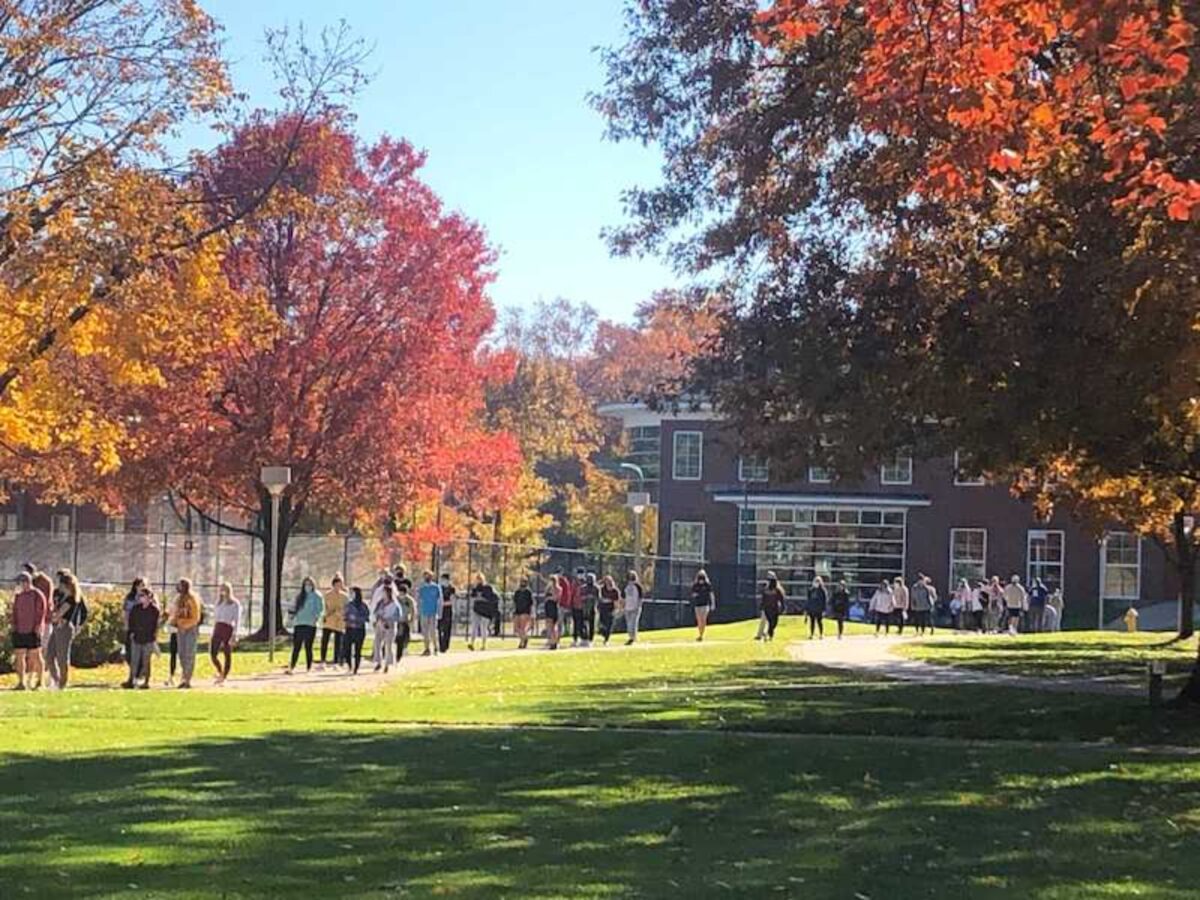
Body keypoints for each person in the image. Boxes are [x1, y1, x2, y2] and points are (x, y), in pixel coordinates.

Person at [46, 570, 86, 689]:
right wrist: (53, 616)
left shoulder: (72, 599)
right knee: (49, 655)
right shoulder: (59, 595)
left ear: (67, 585)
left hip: (65, 628)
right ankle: (56, 679)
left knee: (62, 657)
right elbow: (54, 612)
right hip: (57, 627)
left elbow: (59, 614)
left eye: (62, 584)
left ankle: (62, 683)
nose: (60, 586)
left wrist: (54, 616)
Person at [9, 572, 48, 691]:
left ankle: (40, 682)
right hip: (20, 630)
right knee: (19, 656)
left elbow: (42, 612)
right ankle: (21, 682)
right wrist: (14, 625)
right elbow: (15, 611)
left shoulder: (37, 594)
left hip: (32, 630)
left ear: (26, 582)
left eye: (20, 582)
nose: (19, 585)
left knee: (35, 655)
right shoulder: (18, 596)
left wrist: (37, 626)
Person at [124, 586, 160, 690]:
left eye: (143, 596)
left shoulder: (154, 610)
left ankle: (146, 681)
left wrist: (153, 638)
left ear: (149, 597)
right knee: (134, 660)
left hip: (148, 639)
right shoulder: (136, 609)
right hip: (136, 638)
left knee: (146, 661)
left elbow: (155, 626)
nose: (140, 598)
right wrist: (132, 633)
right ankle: (132, 680)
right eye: (139, 596)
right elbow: (132, 621)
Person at [169, 578, 202, 689]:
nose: (178, 588)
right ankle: (183, 676)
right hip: (180, 629)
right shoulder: (178, 599)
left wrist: (185, 626)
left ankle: (187, 679)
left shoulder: (193, 598)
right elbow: (174, 612)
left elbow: (196, 617)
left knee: (189, 654)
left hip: (191, 629)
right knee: (181, 654)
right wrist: (173, 622)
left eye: (180, 586)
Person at [287, 576, 324, 675]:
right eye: (306, 584)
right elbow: (293, 608)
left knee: (308, 646)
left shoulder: (317, 596)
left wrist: (316, 618)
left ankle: (309, 667)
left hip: (311, 625)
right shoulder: (300, 596)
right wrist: (291, 616)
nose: (308, 586)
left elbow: (320, 610)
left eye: (310, 584)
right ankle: (292, 667)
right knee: (296, 646)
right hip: (299, 623)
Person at [21, 563, 53, 670]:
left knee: (41, 648)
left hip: (43, 621)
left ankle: (43, 672)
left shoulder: (44, 583)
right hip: (30, 622)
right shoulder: (27, 585)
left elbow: (45, 604)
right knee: (31, 649)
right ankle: (32, 671)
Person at [210, 583, 241, 684]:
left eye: (224, 589)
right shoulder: (218, 603)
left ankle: (224, 675)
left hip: (227, 628)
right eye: (221, 589)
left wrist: (235, 634)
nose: (222, 592)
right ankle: (220, 671)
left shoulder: (235, 604)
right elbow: (215, 618)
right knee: (213, 653)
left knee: (227, 653)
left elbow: (237, 620)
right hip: (218, 627)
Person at [321, 574, 348, 668]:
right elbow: (324, 607)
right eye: (337, 584)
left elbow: (346, 608)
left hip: (339, 622)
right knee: (325, 641)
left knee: (338, 642)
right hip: (328, 620)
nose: (338, 587)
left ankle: (336, 662)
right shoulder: (327, 595)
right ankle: (323, 660)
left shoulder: (344, 596)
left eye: (340, 584)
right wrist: (325, 615)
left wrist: (341, 614)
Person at [373, 583, 400, 673]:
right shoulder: (380, 603)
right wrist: (378, 619)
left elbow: (398, 615)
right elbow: (375, 612)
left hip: (390, 626)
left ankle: (387, 664)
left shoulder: (394, 604)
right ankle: (378, 662)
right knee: (377, 643)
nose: (382, 593)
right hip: (380, 624)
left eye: (384, 592)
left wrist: (389, 620)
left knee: (388, 645)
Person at [343, 587, 370, 675]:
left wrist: (357, 619)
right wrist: (347, 618)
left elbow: (366, 617)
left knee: (358, 649)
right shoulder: (349, 605)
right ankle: (349, 665)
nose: (351, 595)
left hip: (359, 629)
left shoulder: (363, 605)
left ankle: (356, 668)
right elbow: (344, 615)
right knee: (347, 648)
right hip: (349, 629)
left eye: (353, 593)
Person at [467, 574, 498, 651]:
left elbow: (493, 598)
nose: (478, 581)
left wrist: (483, 599)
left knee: (483, 628)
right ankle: (472, 643)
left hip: (485, 611)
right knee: (474, 627)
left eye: (480, 579)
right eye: (477, 579)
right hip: (476, 610)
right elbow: (473, 597)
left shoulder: (488, 588)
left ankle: (483, 645)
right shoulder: (475, 588)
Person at [121, 577, 145, 666]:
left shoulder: (147, 597)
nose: (141, 587)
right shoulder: (129, 597)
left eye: (143, 585)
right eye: (140, 585)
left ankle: (140, 672)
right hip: (131, 626)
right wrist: (125, 624)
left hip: (142, 627)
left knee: (141, 651)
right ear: (135, 586)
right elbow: (125, 611)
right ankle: (132, 670)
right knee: (129, 650)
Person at [417, 571, 442, 656]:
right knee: (425, 631)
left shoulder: (436, 587)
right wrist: (418, 611)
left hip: (433, 612)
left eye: (428, 576)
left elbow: (439, 600)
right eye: (425, 576)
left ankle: (436, 647)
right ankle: (427, 648)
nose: (427, 578)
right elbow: (419, 600)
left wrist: (439, 611)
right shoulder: (422, 588)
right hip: (424, 611)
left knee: (433, 631)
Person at [757, 572, 786, 641]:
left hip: (775, 608)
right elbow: (763, 598)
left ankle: (768, 633)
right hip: (767, 608)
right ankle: (769, 635)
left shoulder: (777, 590)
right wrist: (762, 606)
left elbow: (781, 599)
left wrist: (783, 607)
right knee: (770, 622)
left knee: (774, 623)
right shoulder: (765, 589)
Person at [691, 570, 715, 642]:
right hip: (698, 605)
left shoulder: (708, 585)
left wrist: (713, 604)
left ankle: (701, 635)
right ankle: (700, 633)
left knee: (703, 619)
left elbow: (711, 595)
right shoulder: (695, 585)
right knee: (699, 620)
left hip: (705, 605)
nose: (701, 580)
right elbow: (693, 594)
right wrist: (695, 595)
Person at [623, 570, 645, 644]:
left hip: (635, 608)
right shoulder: (626, 586)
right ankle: (631, 637)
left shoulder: (638, 586)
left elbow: (641, 597)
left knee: (633, 623)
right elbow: (623, 597)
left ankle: (632, 638)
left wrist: (638, 606)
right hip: (627, 607)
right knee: (629, 624)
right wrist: (623, 606)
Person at [512, 576, 534, 649]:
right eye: (521, 581)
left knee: (522, 628)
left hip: (525, 611)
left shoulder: (528, 592)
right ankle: (524, 638)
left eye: (524, 581)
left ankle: (522, 642)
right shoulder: (517, 592)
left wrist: (531, 613)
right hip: (518, 611)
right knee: (516, 628)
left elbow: (531, 603)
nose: (522, 583)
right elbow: (515, 602)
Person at [597, 575, 620, 645]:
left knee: (609, 624)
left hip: (610, 609)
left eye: (609, 581)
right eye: (606, 581)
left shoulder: (615, 591)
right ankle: (604, 634)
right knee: (602, 625)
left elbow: (616, 601)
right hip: (603, 608)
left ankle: (606, 640)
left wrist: (616, 609)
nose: (607, 582)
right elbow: (599, 598)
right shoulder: (602, 589)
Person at [437, 573, 457, 654]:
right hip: (440, 609)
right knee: (439, 628)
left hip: (448, 609)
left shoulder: (451, 588)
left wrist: (445, 603)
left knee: (447, 628)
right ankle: (440, 644)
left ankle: (446, 645)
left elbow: (452, 600)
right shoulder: (439, 588)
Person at [579, 572, 599, 647]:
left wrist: (592, 598)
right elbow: (581, 597)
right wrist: (585, 597)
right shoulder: (583, 588)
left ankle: (591, 639)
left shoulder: (596, 588)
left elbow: (598, 598)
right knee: (583, 624)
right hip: (584, 608)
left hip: (592, 608)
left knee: (592, 624)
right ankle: (584, 637)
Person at [570, 567, 588, 647]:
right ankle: (575, 639)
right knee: (575, 623)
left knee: (582, 623)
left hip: (583, 607)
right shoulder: (574, 583)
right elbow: (572, 593)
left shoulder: (586, 583)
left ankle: (584, 638)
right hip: (575, 606)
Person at [544, 574, 562, 650]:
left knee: (553, 626)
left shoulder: (558, 588)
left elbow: (555, 598)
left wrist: (550, 597)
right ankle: (551, 641)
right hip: (548, 607)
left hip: (553, 607)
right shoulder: (548, 589)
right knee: (549, 626)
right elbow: (545, 597)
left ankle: (555, 642)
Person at [805, 575, 827, 639]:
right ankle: (811, 634)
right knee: (812, 622)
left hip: (819, 609)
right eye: (815, 581)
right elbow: (808, 600)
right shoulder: (811, 590)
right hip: (812, 609)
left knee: (819, 622)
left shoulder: (822, 591)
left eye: (818, 581)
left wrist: (824, 609)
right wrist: (807, 609)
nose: (816, 583)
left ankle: (821, 634)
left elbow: (824, 600)